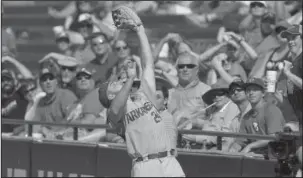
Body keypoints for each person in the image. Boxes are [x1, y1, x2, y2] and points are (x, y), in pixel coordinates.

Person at [98, 18, 185, 177]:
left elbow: (148, 64)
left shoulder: (143, 96)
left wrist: (140, 31)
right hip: (145, 165)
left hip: (169, 161)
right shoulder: (115, 113)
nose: (119, 81)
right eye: (115, 83)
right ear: (110, 95)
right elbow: (116, 106)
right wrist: (130, 79)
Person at [25, 65, 78, 139]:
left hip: (70, 136)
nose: (48, 82)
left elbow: (72, 120)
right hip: (51, 138)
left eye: (51, 78)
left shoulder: (66, 95)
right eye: (44, 79)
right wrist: (42, 129)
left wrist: (52, 131)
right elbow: (33, 125)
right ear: (40, 84)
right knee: (27, 136)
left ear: (56, 81)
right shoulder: (40, 102)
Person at [239, 78, 285, 154]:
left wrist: (250, 146)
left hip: (274, 155)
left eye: (255, 90)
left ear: (263, 93)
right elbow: (240, 142)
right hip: (254, 155)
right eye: (248, 90)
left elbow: (274, 137)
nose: (251, 93)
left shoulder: (271, 109)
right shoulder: (246, 116)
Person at [60, 67, 107, 142]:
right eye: (79, 78)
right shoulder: (74, 104)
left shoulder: (96, 95)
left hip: (90, 143)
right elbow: (63, 126)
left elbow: (87, 123)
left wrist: (70, 123)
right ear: (76, 82)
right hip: (73, 139)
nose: (83, 79)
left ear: (93, 81)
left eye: (87, 77)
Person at [167, 52, 211, 129]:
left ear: (197, 69)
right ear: (177, 69)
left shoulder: (206, 91)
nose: (185, 69)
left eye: (190, 66)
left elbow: (215, 122)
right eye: (181, 66)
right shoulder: (169, 93)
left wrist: (195, 123)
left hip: (196, 138)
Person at [280, 24, 302, 125]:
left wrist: (288, 74)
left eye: (294, 38)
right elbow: (291, 94)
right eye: (288, 39)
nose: (290, 41)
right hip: (297, 118)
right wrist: (275, 92)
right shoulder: (290, 63)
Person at [226, 80, 252, 152]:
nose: (235, 92)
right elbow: (229, 142)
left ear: (247, 92)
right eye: (232, 91)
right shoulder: (234, 120)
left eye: (239, 89)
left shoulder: (254, 113)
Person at [1, 69, 28, 134]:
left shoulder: (21, 94)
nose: (5, 82)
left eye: (8, 80)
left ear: (14, 81)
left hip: (20, 135)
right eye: (2, 80)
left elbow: (29, 78)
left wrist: (12, 60)